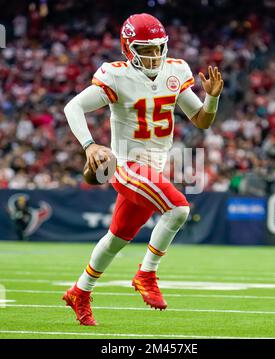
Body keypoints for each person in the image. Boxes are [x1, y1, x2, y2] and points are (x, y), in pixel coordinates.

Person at [63, 13, 223, 326]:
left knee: (117, 238)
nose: (153, 55)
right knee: (178, 209)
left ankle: (79, 292)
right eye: (145, 49)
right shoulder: (116, 74)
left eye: (157, 48)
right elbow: (74, 106)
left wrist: (212, 98)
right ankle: (146, 274)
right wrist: (89, 145)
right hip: (125, 164)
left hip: (153, 167)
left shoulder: (175, 70)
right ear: (128, 48)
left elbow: (202, 120)